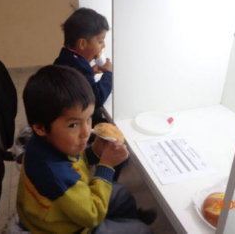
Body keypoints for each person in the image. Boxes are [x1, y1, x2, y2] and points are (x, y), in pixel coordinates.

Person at [17, 65, 154, 234]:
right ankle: (131, 226)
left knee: (122, 194)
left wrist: (92, 153)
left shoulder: (50, 143)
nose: (86, 132)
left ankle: (125, 221)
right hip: (66, 227)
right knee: (141, 230)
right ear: (40, 127)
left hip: (73, 202)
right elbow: (92, 215)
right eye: (73, 124)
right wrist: (106, 166)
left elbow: (74, 163)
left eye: (88, 118)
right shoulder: (55, 176)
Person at [54, 7, 112, 127]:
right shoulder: (80, 67)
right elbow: (96, 99)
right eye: (100, 41)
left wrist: (91, 71)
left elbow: (77, 80)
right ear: (82, 44)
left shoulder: (66, 56)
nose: (104, 46)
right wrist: (109, 74)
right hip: (79, 120)